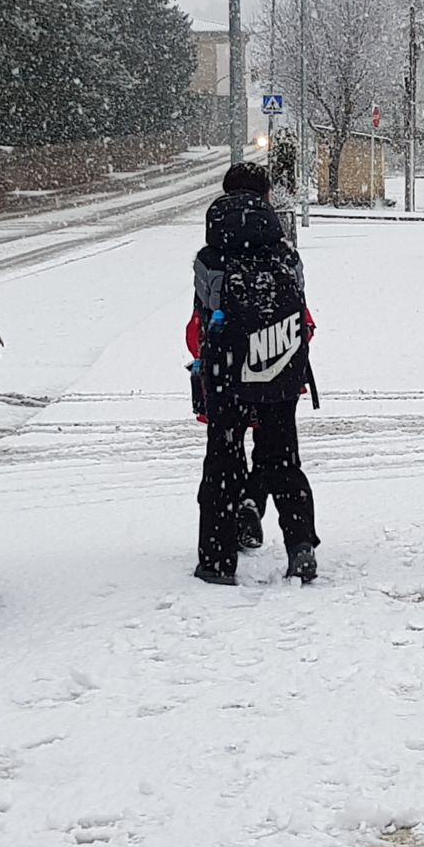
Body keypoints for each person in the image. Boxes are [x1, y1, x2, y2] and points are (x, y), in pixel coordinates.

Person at [188, 161, 319, 586]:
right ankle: (300, 548)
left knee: (223, 463)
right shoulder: (284, 253)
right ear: (265, 199)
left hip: (226, 376)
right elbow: (300, 311)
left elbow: (201, 322)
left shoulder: (210, 257)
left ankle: (217, 560)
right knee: (283, 461)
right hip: (279, 369)